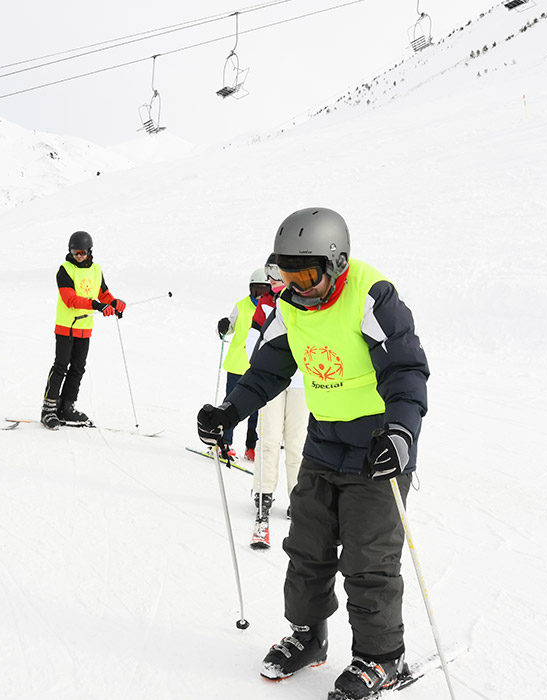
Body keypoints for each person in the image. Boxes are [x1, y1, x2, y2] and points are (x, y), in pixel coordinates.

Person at [196, 208, 429, 699]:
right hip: (325, 440)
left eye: (307, 275)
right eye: (288, 274)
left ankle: (382, 658)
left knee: (369, 558)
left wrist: (402, 434)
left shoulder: (371, 296)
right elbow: (266, 370)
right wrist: (229, 411)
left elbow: (406, 370)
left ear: (337, 262)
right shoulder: (290, 306)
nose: (298, 286)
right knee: (308, 546)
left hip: (377, 444)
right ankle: (308, 636)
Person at [247, 253, 308, 548]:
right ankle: (263, 493)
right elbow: (253, 339)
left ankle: (298, 497)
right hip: (272, 381)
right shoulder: (267, 304)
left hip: (299, 385)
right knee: (269, 439)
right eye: (269, 274)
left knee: (296, 443)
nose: (270, 280)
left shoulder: (304, 300)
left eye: (275, 274)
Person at [41, 230, 126, 430]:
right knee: (61, 366)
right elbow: (69, 299)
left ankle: (67, 407)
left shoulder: (96, 270)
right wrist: (97, 306)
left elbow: (103, 293)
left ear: (89, 251)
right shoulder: (65, 270)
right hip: (66, 327)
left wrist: (114, 303)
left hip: (84, 329)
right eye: (74, 252)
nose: (78, 256)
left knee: (78, 368)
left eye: (82, 252)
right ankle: (49, 409)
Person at [216, 268, 271, 460]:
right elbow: (229, 328)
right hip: (238, 364)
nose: (260, 295)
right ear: (250, 289)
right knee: (231, 405)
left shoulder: (273, 308)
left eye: (264, 291)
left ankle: (251, 447)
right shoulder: (241, 306)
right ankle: (225, 443)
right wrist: (223, 327)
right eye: (256, 291)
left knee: (256, 410)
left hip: (258, 367)